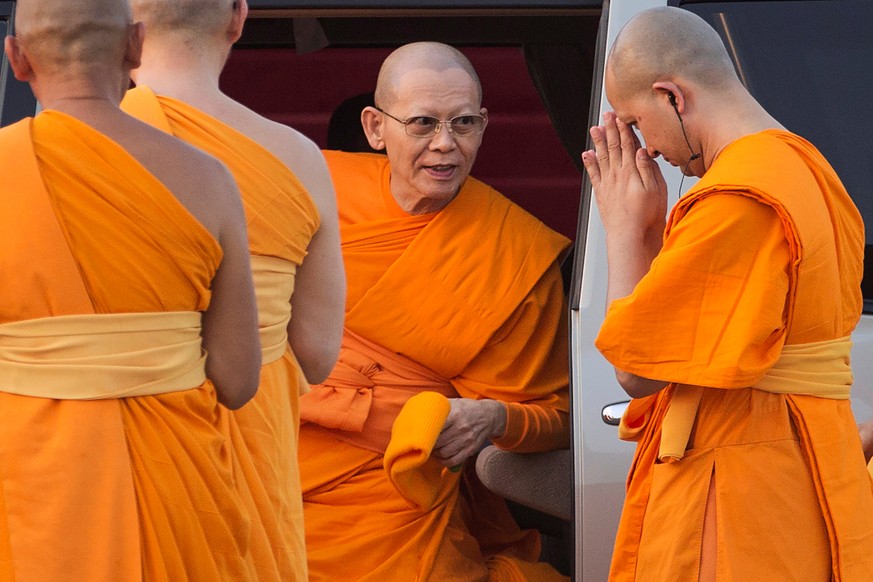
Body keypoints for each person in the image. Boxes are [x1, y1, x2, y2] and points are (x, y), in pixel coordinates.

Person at [580, 7, 873, 581]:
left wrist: (624, 229)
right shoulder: (809, 168)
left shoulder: (738, 199)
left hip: (747, 483)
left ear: (672, 96)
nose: (649, 148)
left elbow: (637, 371)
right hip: (804, 460)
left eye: (639, 123)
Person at [0, 0, 265, 580]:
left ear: (16, 58)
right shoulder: (208, 180)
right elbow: (239, 379)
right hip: (175, 488)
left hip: (25, 491)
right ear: (135, 45)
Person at [298, 41, 572, 581]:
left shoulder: (516, 252)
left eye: (464, 123)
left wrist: (493, 416)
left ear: (485, 125)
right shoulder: (314, 190)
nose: (445, 145)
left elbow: (555, 418)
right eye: (423, 124)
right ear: (376, 128)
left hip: (403, 491)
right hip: (278, 465)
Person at [121, 1, 345, 579]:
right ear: (238, 18)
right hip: (250, 450)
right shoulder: (298, 158)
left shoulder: (76, 148)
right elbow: (319, 354)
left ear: (124, 23)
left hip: (119, 448)